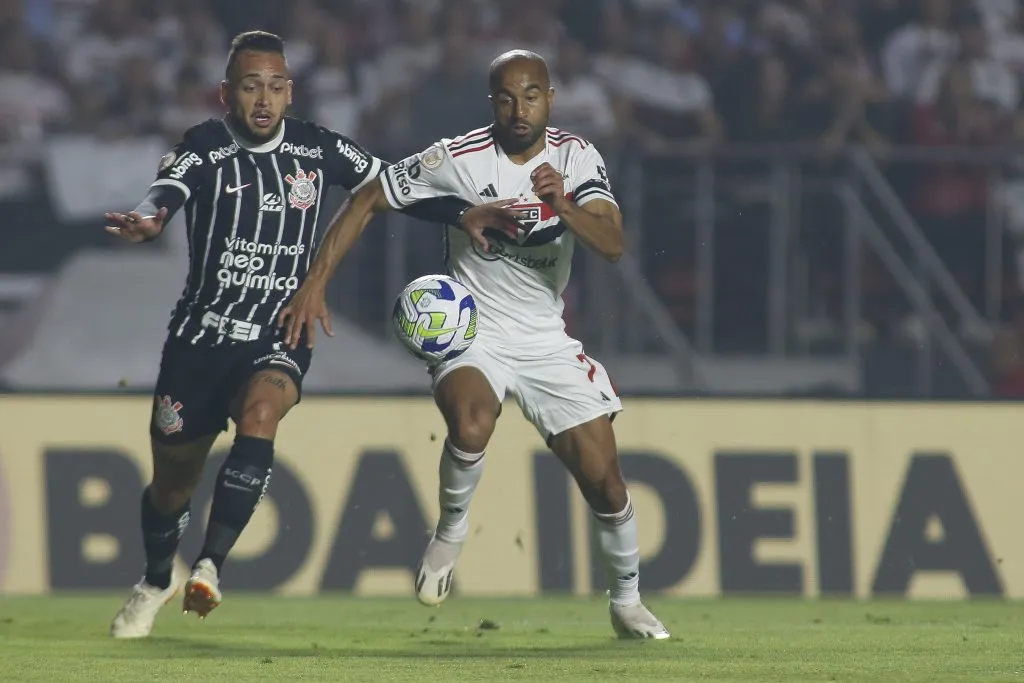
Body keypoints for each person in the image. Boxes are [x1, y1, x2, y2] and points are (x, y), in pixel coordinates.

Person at [104, 30, 514, 639]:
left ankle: (210, 565)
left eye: (274, 86)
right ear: (226, 93)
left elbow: (389, 186)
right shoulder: (207, 145)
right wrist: (149, 217)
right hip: (200, 338)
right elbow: (168, 189)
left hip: (280, 327)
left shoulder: (317, 149)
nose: (263, 99)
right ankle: (156, 578)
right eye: (250, 86)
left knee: (261, 414)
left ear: (290, 92)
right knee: (172, 484)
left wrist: (461, 212)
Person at [280, 49, 671, 640]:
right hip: (474, 329)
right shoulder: (456, 157)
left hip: (545, 339)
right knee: (471, 422)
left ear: (550, 99)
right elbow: (369, 197)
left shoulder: (576, 156)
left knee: (606, 481)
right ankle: (451, 531)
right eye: (507, 98)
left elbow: (613, 245)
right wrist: (315, 283)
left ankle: (627, 601)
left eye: (531, 96)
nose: (520, 109)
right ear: (493, 102)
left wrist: (562, 204)